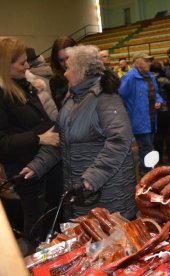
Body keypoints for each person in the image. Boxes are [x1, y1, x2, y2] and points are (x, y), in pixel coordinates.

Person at [22, 45, 137, 220]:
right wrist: (36, 166)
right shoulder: (72, 97)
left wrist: (93, 177)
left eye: (68, 68)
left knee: (111, 242)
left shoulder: (106, 98)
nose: (65, 73)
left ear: (81, 71)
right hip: (82, 192)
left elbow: (120, 139)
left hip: (107, 194)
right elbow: (58, 138)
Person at [0, 37, 60, 245]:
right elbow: (3, 144)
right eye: (22, 63)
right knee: (36, 223)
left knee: (51, 217)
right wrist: (38, 138)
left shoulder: (25, 84)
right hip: (25, 169)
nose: (27, 66)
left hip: (45, 161)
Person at [119, 52, 163, 176]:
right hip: (140, 121)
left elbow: (157, 94)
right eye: (146, 60)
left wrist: (158, 101)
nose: (150, 63)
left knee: (148, 148)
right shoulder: (129, 77)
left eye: (150, 60)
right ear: (137, 62)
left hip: (152, 119)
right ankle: (146, 174)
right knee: (147, 149)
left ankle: (144, 169)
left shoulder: (150, 76)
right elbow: (120, 96)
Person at [151, 62, 170, 164]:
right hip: (167, 110)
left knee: (158, 136)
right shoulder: (163, 79)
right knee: (169, 135)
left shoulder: (148, 80)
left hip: (155, 111)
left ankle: (159, 159)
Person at [49, 36, 77, 110]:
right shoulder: (55, 81)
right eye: (61, 60)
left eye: (68, 58)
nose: (66, 63)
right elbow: (62, 108)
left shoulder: (87, 72)